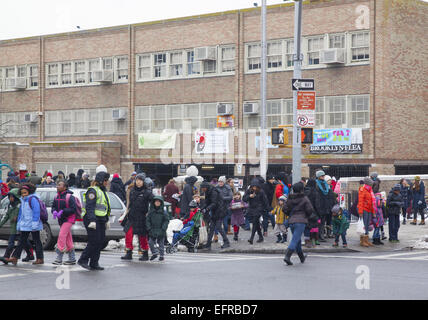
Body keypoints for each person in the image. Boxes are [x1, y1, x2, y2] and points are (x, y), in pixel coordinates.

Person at [77, 171, 111, 271]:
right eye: (105, 180)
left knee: (100, 241)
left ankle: (94, 263)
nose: (107, 182)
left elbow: (106, 207)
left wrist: (106, 220)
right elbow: (90, 206)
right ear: (100, 181)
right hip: (92, 219)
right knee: (94, 241)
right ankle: (83, 260)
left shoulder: (103, 191)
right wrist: (92, 220)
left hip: (101, 219)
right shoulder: (92, 191)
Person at [6, 183, 44, 265]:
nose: (23, 194)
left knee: (36, 241)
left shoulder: (32, 199)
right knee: (21, 241)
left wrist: (35, 223)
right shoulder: (23, 200)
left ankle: (40, 258)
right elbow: (21, 213)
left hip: (33, 224)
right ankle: (15, 257)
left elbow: (36, 212)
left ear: (29, 192)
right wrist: (19, 223)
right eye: (22, 193)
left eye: (25, 193)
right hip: (25, 224)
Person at [121, 173, 153, 261]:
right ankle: (128, 253)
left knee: (142, 237)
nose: (138, 182)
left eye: (140, 180)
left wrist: (149, 213)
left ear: (143, 182)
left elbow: (154, 202)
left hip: (142, 217)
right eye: (137, 180)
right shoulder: (132, 191)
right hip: (131, 216)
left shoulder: (147, 192)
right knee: (128, 234)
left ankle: (145, 253)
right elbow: (129, 204)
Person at [283, 182, 314, 266]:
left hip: (292, 222)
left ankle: (301, 257)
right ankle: (287, 256)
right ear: (301, 189)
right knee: (295, 240)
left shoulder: (290, 198)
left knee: (297, 240)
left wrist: (290, 214)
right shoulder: (304, 198)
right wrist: (305, 216)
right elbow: (310, 210)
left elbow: (284, 209)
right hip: (301, 222)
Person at [0, 189, 34, 264]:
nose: (10, 199)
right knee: (16, 242)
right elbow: (6, 216)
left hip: (20, 227)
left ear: (16, 197)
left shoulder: (20, 205)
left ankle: (29, 254)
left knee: (22, 242)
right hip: (13, 228)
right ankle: (7, 256)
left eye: (12, 197)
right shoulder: (10, 206)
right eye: (9, 197)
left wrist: (17, 217)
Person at [51, 181, 78, 265]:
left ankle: (59, 257)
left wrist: (62, 211)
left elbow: (73, 209)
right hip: (61, 220)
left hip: (69, 219)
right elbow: (53, 206)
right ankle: (72, 258)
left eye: (59, 185)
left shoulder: (70, 197)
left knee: (62, 235)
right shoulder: (56, 196)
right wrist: (54, 211)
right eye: (57, 185)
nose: (57, 186)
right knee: (67, 238)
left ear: (65, 187)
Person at [200, 181, 230, 250]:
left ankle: (227, 242)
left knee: (218, 227)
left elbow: (214, 203)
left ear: (206, 187)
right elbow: (207, 202)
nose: (202, 189)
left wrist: (206, 209)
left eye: (203, 188)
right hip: (215, 211)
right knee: (211, 228)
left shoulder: (214, 192)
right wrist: (202, 208)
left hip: (220, 211)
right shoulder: (208, 192)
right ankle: (208, 244)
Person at [243, 178, 269, 245]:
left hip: (259, 209)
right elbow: (244, 199)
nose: (254, 188)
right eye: (253, 187)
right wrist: (249, 196)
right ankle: (261, 237)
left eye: (256, 187)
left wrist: (265, 209)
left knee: (254, 222)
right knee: (256, 223)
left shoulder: (261, 191)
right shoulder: (249, 191)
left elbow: (265, 201)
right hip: (251, 209)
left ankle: (251, 238)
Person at [146, 196, 169, 261]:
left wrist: (163, 228)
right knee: (150, 242)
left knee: (161, 243)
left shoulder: (163, 212)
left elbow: (166, 220)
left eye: (159, 202)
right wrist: (149, 228)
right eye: (156, 202)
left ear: (161, 203)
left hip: (161, 229)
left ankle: (161, 255)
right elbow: (148, 220)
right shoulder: (151, 211)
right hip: (152, 229)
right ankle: (154, 253)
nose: (157, 203)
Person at [314, 170, 334, 241]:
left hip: (325, 205)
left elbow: (328, 195)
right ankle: (317, 237)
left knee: (323, 222)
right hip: (319, 205)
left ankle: (321, 236)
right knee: (318, 222)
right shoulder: (316, 184)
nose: (323, 177)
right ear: (318, 176)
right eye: (322, 176)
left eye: (324, 175)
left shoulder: (325, 184)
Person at [358, 177, 376, 247]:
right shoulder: (363, 189)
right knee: (364, 225)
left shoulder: (369, 190)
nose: (372, 185)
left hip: (369, 209)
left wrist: (373, 211)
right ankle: (363, 241)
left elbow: (372, 202)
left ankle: (366, 240)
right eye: (371, 184)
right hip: (364, 209)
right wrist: (360, 212)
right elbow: (360, 201)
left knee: (367, 225)